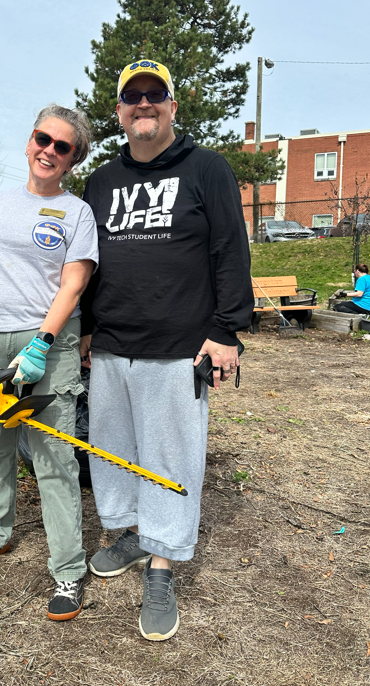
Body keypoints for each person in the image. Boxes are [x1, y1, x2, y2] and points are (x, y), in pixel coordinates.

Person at [79, 60, 254, 641]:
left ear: (173, 106)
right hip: (109, 347)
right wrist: (84, 328)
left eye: (156, 95)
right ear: (120, 112)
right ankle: (131, 532)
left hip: (179, 347)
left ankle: (162, 562)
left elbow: (231, 251)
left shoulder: (207, 169)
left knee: (171, 460)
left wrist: (227, 331)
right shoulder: (101, 181)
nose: (144, 105)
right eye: (133, 97)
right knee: (114, 452)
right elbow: (87, 264)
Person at [0, 105, 98, 621]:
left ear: (73, 158)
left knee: (53, 457)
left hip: (47, 346)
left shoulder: (78, 214)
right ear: (30, 140)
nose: (49, 151)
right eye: (43, 139)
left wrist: (42, 343)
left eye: (63, 147)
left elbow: (73, 283)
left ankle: (68, 571)